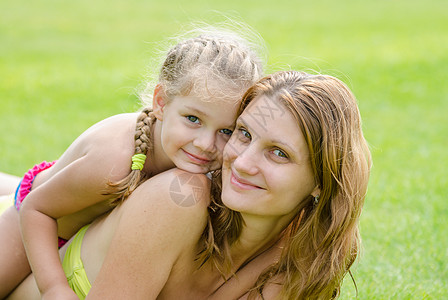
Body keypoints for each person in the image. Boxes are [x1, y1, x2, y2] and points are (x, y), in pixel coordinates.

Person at [7, 70, 371, 299]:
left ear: (321, 182)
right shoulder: (178, 198)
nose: (240, 162)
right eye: (243, 134)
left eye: (277, 153)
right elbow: (38, 208)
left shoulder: (308, 249)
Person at [0, 25, 264, 299]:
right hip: (30, 223)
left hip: (84, 230)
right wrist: (54, 287)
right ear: (161, 103)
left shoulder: (198, 159)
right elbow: (37, 209)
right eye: (193, 119)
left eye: (226, 131)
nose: (206, 144)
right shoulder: (114, 161)